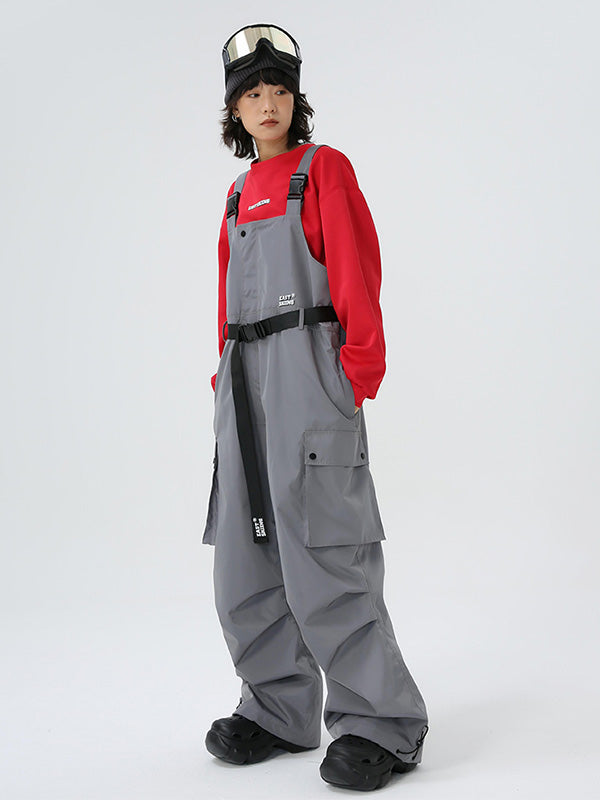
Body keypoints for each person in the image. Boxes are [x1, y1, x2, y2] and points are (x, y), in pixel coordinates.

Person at [202, 23, 429, 791]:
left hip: (309, 368)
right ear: (235, 111)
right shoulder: (238, 193)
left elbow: (357, 270)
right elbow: (226, 295)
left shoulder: (322, 169)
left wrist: (356, 372)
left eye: (279, 90)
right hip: (244, 381)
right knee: (246, 553)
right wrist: (222, 379)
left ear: (295, 101)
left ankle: (383, 723)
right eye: (251, 94)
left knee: (326, 549)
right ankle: (277, 709)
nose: (267, 104)